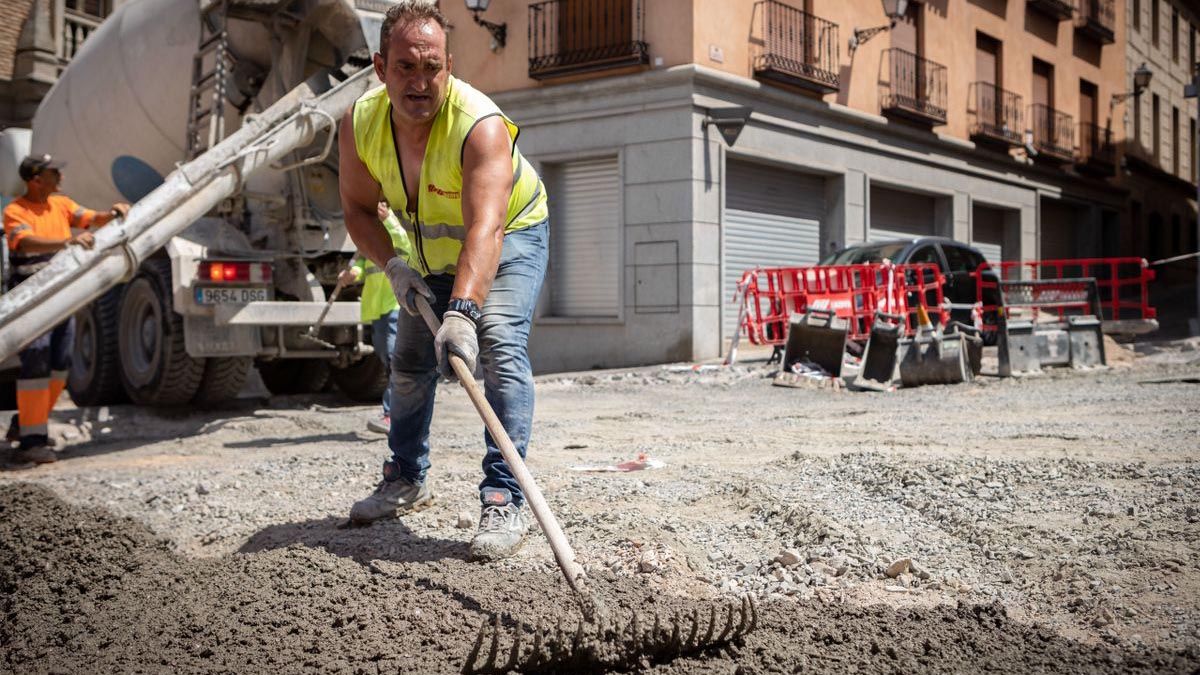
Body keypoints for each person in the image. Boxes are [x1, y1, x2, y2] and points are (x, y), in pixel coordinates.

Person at [338, 0, 549, 561]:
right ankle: (405, 476)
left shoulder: (478, 126)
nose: (420, 81)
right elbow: (359, 210)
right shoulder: (360, 124)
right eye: (406, 67)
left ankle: (504, 496)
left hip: (510, 235)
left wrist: (463, 311)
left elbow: (487, 225)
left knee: (499, 346)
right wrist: (395, 266)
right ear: (381, 68)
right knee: (409, 360)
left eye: (432, 67)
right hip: (429, 251)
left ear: (448, 67)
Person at [2, 154, 129, 465]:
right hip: (33, 299)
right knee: (37, 363)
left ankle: (27, 423)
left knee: (61, 366)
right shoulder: (14, 211)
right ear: (35, 180)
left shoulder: (61, 204)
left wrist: (113, 213)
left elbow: (90, 218)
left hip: (61, 297)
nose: (60, 176)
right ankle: (32, 443)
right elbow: (24, 243)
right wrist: (65, 243)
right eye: (53, 172)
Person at [338, 201, 413, 434]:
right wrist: (352, 274)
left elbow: (405, 245)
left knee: (394, 360)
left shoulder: (399, 224)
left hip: (394, 303)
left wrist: (388, 218)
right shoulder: (369, 231)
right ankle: (400, 414)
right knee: (385, 357)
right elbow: (364, 261)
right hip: (376, 306)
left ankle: (394, 415)